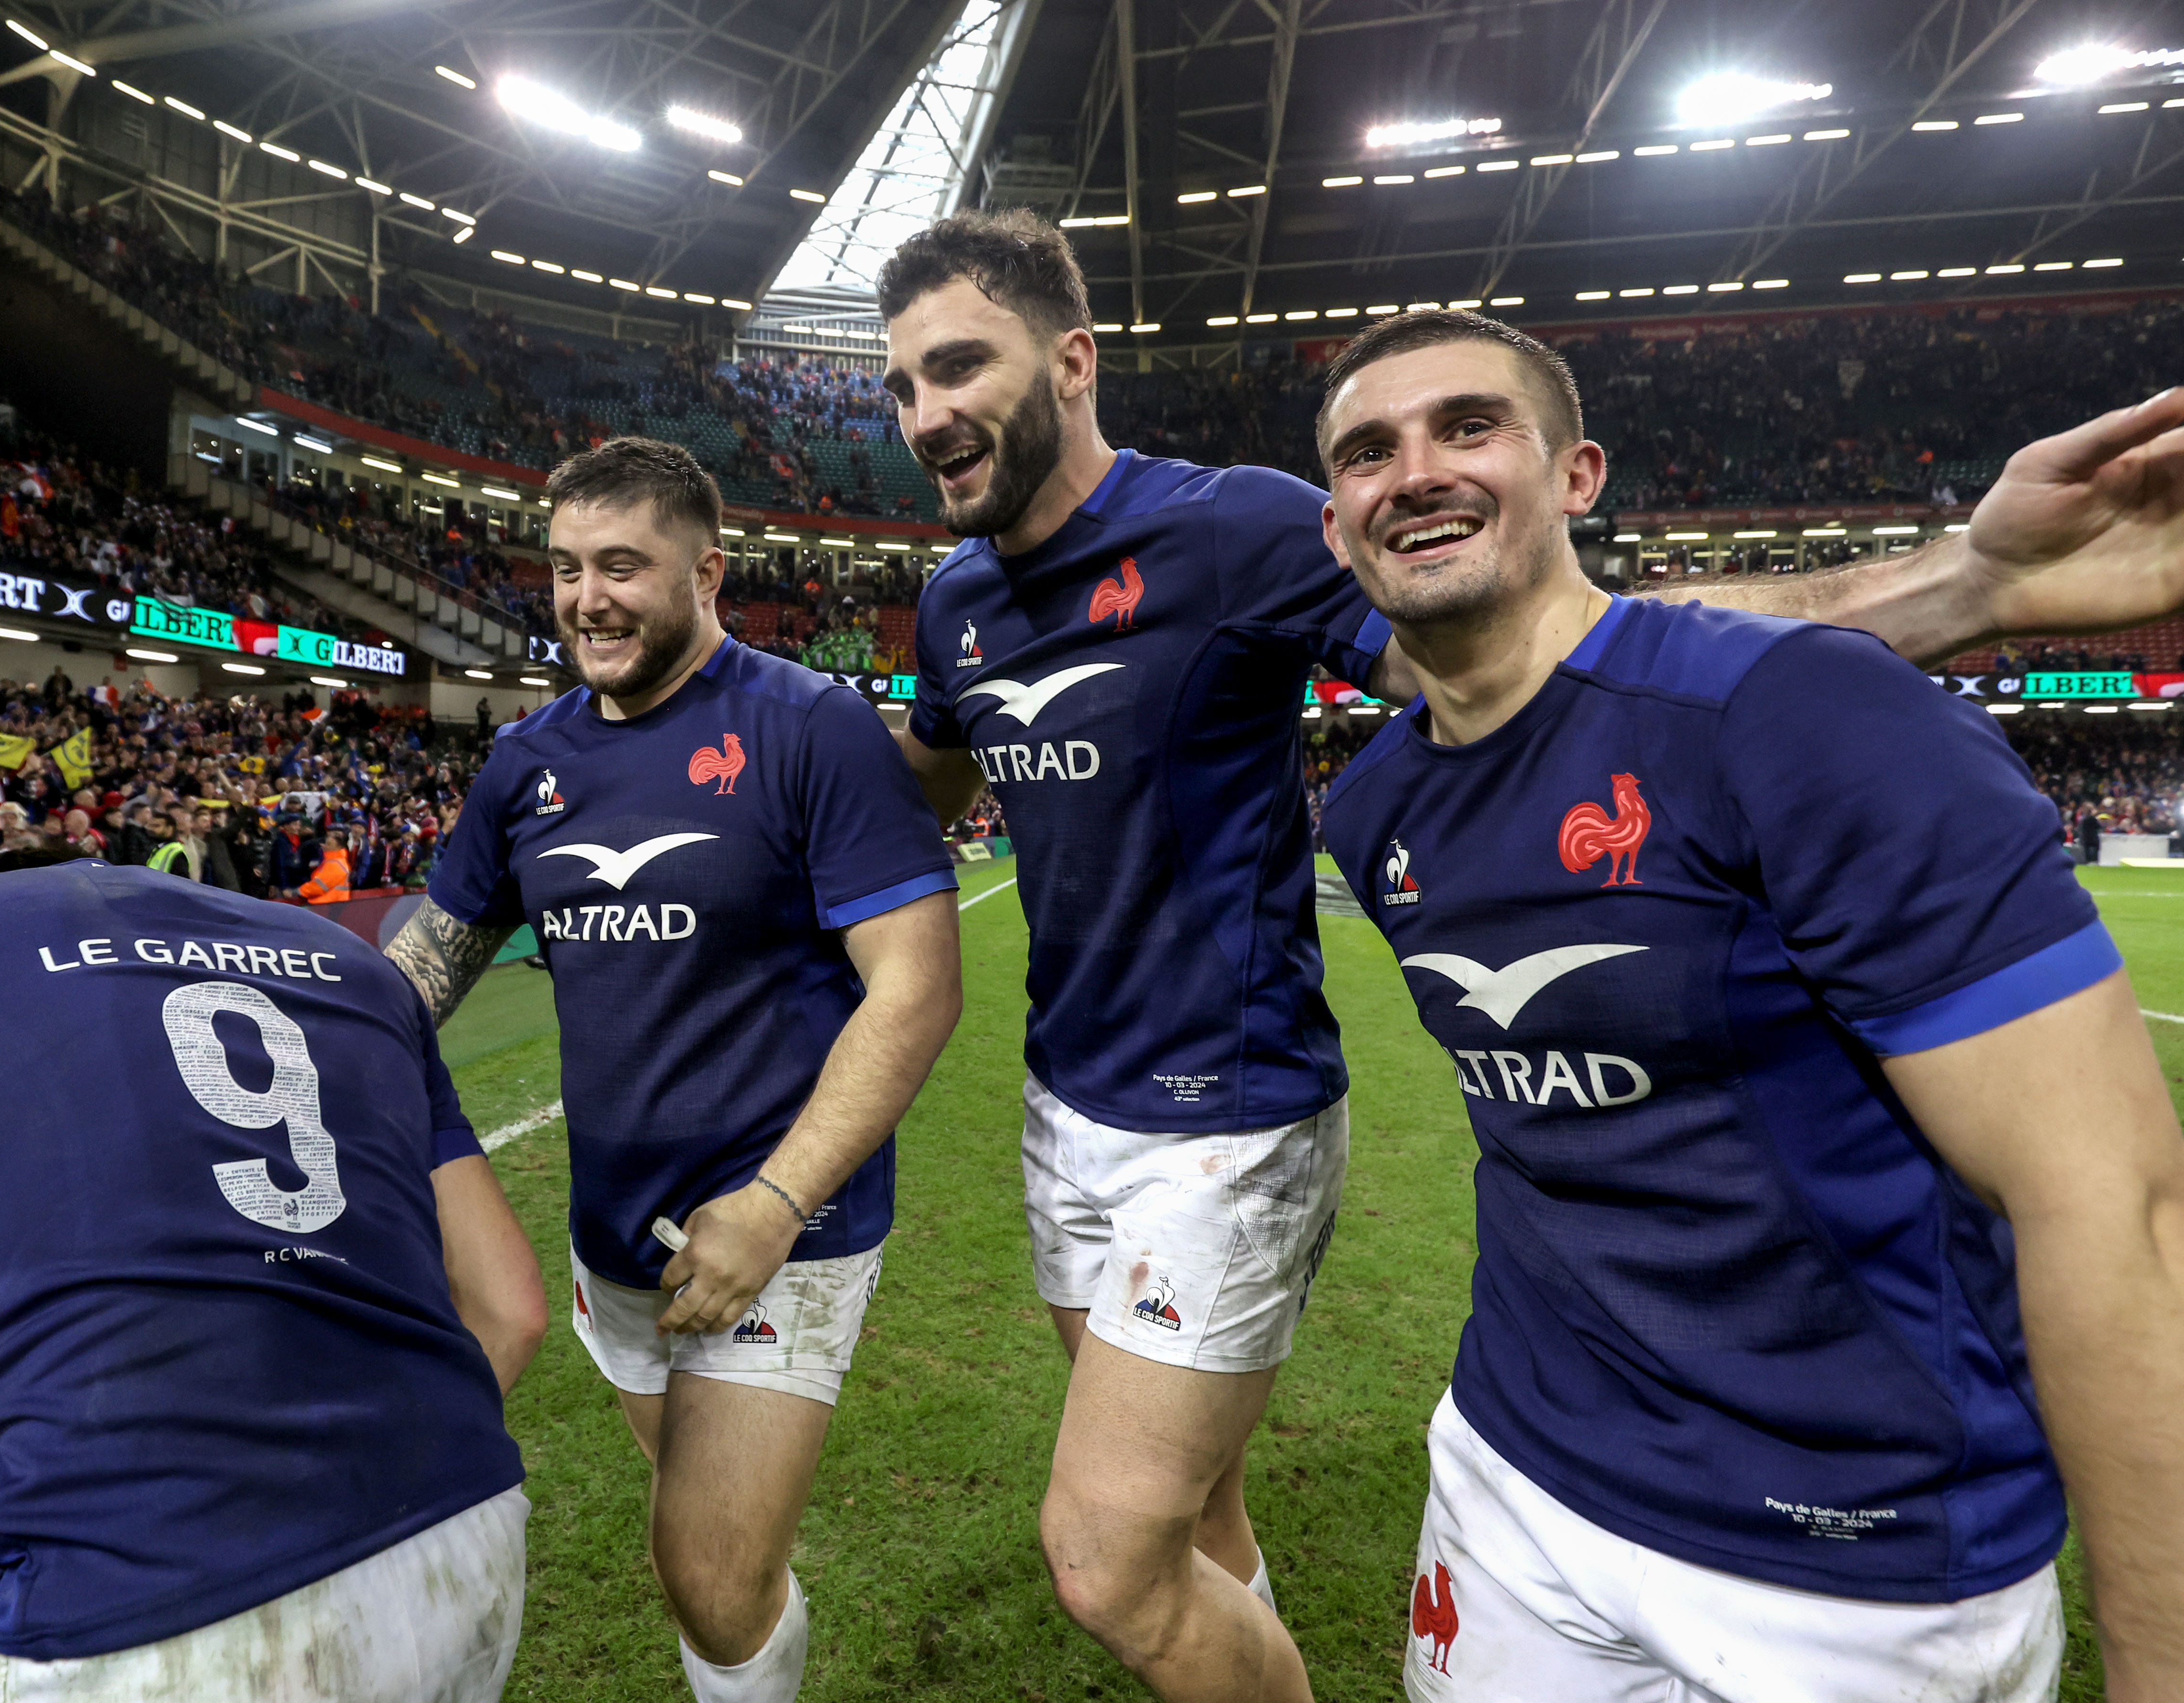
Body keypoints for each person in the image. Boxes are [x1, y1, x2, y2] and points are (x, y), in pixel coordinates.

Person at [873, 208, 2184, 1703]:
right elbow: (918, 776)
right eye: (899, 388)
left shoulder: (1241, 533)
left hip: (1242, 1129)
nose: (922, 415)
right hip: (1418, 1385)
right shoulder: (1335, 784)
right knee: (1191, 1512)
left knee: (1109, 1552)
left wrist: (1963, 589)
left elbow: (1556, 648)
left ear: (1072, 361)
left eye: (957, 367)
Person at [1311, 309, 2184, 1700]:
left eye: (1468, 426)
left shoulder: (1809, 717)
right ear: (1335, 527)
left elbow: (2112, 1205)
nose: (1414, 471)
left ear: (1577, 475)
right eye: (1368, 451)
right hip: (1512, 1472)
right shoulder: (1374, 809)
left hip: (1851, 1559)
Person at [0, 852, 547, 1702]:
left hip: (151, 1604)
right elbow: (509, 1312)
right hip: (462, 1534)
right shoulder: (348, 957)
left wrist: (122, 1342)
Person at [387, 437, 962, 1703]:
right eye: (565, 568)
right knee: (700, 1535)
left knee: (704, 1570)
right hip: (616, 1237)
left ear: (707, 574)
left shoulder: (808, 725)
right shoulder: (526, 764)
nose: (585, 598)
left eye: (621, 566)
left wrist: (776, 1202)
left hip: (783, 1228)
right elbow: (416, 976)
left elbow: (916, 986)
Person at [298, 830, 352, 904]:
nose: (325, 846)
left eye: (329, 844)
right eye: (326, 843)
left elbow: (319, 886)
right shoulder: (336, 860)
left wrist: (299, 891)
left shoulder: (335, 864)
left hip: (329, 903)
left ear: (339, 847)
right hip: (334, 902)